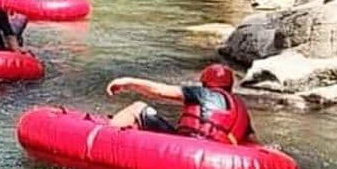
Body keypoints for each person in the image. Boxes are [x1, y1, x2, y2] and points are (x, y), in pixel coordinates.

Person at [106, 64, 256, 145]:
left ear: (205, 82)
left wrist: (128, 82)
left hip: (190, 145)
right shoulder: (239, 105)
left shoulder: (201, 93)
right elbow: (249, 140)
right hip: (219, 152)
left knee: (137, 107)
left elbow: (159, 91)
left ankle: (105, 138)